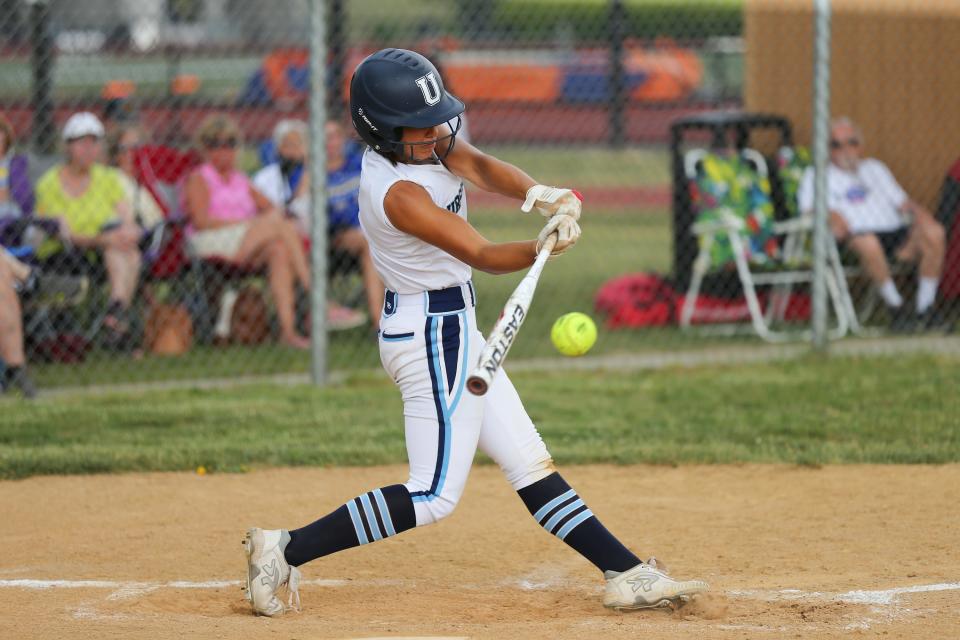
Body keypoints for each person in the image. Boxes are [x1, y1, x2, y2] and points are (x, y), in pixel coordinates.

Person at [243, 48, 708, 617]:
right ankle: (284, 549)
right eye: (420, 126)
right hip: (429, 334)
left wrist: (541, 196)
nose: (437, 131)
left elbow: (480, 165)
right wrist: (543, 245)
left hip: (453, 326)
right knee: (433, 494)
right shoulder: (397, 194)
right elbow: (481, 252)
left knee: (528, 461)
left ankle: (625, 572)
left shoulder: (425, 140)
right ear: (382, 131)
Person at [184, 115, 363, 349]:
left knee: (278, 250)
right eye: (216, 144)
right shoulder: (200, 177)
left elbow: (273, 209)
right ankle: (320, 302)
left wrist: (259, 223)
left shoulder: (240, 179)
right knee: (279, 225)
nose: (224, 150)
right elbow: (201, 222)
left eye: (230, 143)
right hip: (211, 241)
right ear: (205, 148)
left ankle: (287, 333)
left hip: (244, 239)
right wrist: (245, 224)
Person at [798, 116, 946, 330]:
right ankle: (896, 307)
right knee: (867, 241)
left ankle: (925, 308)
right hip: (851, 238)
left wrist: (922, 216)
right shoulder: (816, 175)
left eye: (852, 142)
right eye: (836, 145)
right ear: (827, 149)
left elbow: (903, 203)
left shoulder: (875, 168)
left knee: (935, 232)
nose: (846, 149)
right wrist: (831, 215)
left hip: (895, 234)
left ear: (861, 146)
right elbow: (808, 209)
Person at [253, 119, 384, 328]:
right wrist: (309, 165)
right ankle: (379, 322)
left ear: (343, 140)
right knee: (367, 242)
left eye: (334, 136)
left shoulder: (360, 163)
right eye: (324, 138)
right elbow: (300, 207)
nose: (330, 142)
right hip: (333, 236)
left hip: (373, 229)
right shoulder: (306, 172)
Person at [35, 112, 142, 344]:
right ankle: (118, 319)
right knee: (118, 249)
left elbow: (127, 217)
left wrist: (127, 231)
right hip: (66, 254)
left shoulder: (109, 178)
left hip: (107, 251)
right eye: (81, 142)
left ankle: (116, 312)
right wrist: (104, 239)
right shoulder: (49, 183)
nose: (89, 149)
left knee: (124, 249)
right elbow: (64, 234)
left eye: (94, 142)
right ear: (68, 147)